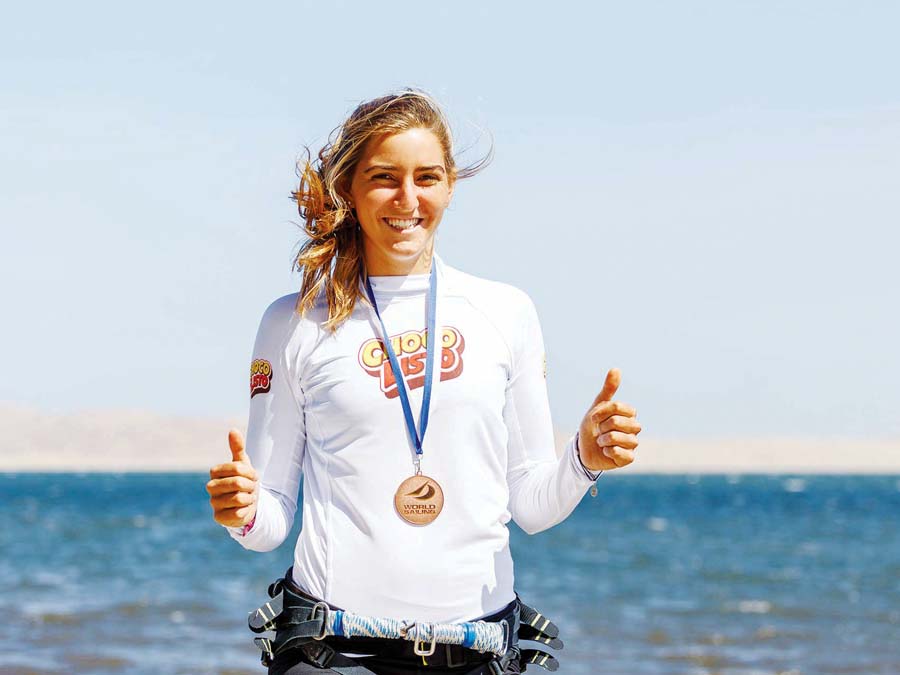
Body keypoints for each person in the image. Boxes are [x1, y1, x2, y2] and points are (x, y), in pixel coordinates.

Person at [206, 90, 641, 674]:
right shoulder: (294, 321)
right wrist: (242, 510)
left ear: (451, 185)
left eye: (427, 177)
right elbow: (271, 520)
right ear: (348, 190)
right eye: (384, 177)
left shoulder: (504, 312)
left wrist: (584, 458)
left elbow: (533, 505)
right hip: (334, 654)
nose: (407, 199)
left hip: (478, 651)